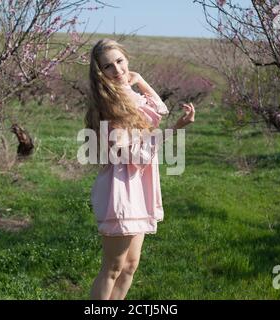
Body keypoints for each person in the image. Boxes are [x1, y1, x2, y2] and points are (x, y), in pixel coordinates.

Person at [84, 38, 195, 300]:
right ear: (100, 72)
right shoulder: (108, 105)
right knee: (112, 267)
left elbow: (160, 109)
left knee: (130, 266)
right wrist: (175, 131)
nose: (118, 70)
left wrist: (140, 79)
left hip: (140, 183)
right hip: (123, 186)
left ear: (127, 60)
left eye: (120, 61)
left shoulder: (129, 94)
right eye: (108, 66)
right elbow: (131, 155)